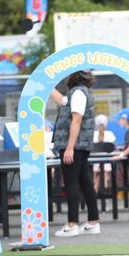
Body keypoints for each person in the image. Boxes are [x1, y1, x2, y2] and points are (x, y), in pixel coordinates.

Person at [50, 71, 100, 237]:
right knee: (85, 182)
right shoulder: (78, 93)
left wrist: (70, 147)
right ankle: (93, 222)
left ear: (74, 76)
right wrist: (46, 84)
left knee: (71, 184)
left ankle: (72, 224)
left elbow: (76, 120)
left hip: (73, 145)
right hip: (80, 145)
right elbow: (62, 101)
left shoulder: (78, 93)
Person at [93, 114, 117, 193]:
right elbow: (113, 147)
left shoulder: (93, 134)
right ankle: (106, 191)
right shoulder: (110, 134)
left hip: (95, 161)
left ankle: (95, 193)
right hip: (107, 160)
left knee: (96, 176)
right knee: (106, 175)